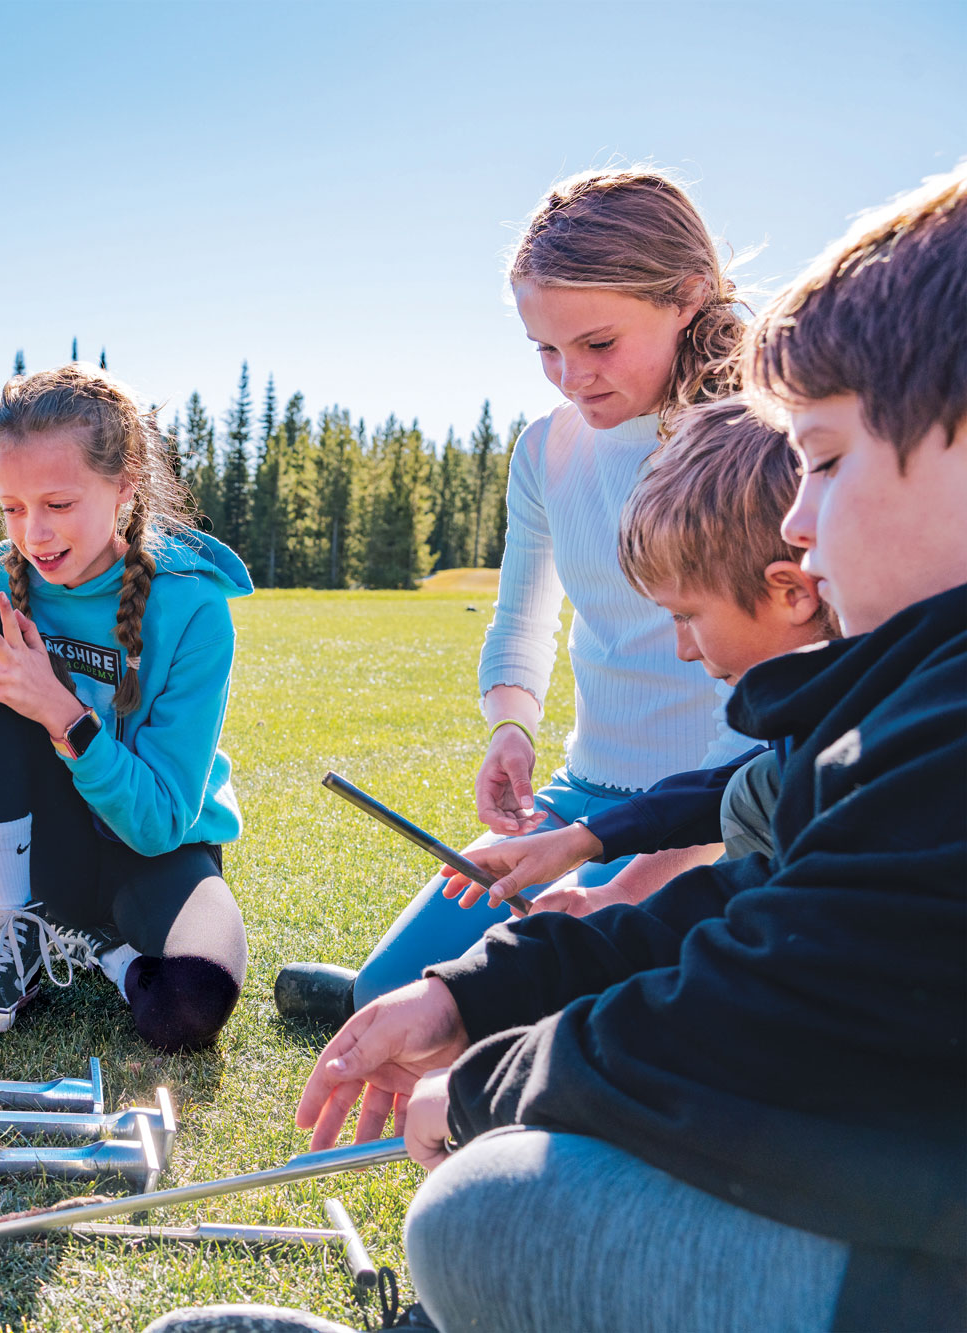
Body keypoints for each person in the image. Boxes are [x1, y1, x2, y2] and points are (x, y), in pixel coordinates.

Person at [260, 167, 965, 1333]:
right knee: (436, 1014)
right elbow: (763, 906)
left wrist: (492, 1082)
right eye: (546, 351)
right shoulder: (904, 701)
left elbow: (753, 977)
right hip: (606, 795)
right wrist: (478, 986)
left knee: (483, 1214)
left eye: (826, 461)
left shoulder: (912, 718)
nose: (797, 512)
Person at [277, 167, 754, 1026]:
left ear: (688, 297)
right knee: (390, 994)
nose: (571, 377)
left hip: (706, 820)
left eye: (599, 344)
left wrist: (625, 891)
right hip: (582, 794)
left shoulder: (742, 449)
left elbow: (751, 740)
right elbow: (524, 617)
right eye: (546, 350)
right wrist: (510, 728)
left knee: (560, 1003)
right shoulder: (546, 452)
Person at [0, 365, 252, 1050]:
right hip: (46, 860)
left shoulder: (193, 606)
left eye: (58, 505)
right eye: (12, 508)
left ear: (124, 488)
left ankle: (101, 949)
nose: (33, 534)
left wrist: (67, 716)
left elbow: (159, 823)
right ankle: (16, 926)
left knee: (189, 1006)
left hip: (158, 852)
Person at [434, 398, 837, 915]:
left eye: (686, 616)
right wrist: (584, 839)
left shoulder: (876, 737)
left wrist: (620, 895)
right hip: (593, 800)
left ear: (792, 592)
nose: (682, 649)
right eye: (547, 348)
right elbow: (726, 790)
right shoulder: (790, 750)